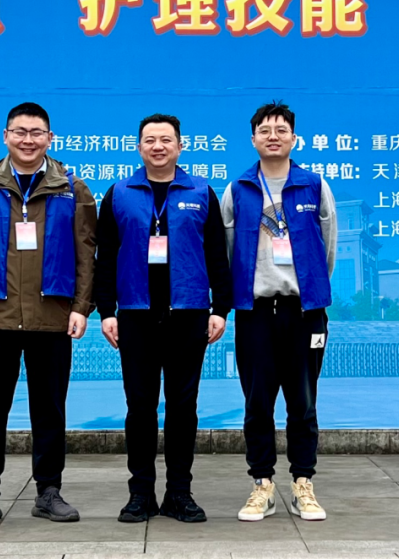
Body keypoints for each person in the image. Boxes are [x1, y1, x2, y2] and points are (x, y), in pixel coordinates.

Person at [0, 102, 97, 526]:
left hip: (51, 317)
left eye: (36, 133)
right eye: (20, 131)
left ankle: (48, 492)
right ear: (5, 136)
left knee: (49, 411)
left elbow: (87, 252)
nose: (28, 140)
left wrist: (81, 307)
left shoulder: (72, 187)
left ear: (50, 138)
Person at [95, 114, 233, 524]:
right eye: (150, 140)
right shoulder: (119, 193)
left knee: (183, 407)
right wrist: (106, 311)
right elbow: (106, 256)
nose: (158, 146)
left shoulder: (201, 192)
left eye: (166, 140)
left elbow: (217, 254)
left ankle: (179, 493)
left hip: (188, 313)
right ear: (139, 147)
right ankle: (140, 494)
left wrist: (220, 308)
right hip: (135, 314)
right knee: (139, 407)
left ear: (180, 146)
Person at [221, 101, 337, 522]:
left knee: (303, 402)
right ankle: (262, 485)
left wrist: (307, 291)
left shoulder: (315, 186)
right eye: (265, 130)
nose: (273, 136)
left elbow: (327, 248)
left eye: (281, 130)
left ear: (294, 138)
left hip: (303, 312)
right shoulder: (237, 190)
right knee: (257, 403)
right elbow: (228, 252)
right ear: (253, 139)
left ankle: (303, 484)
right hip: (255, 312)